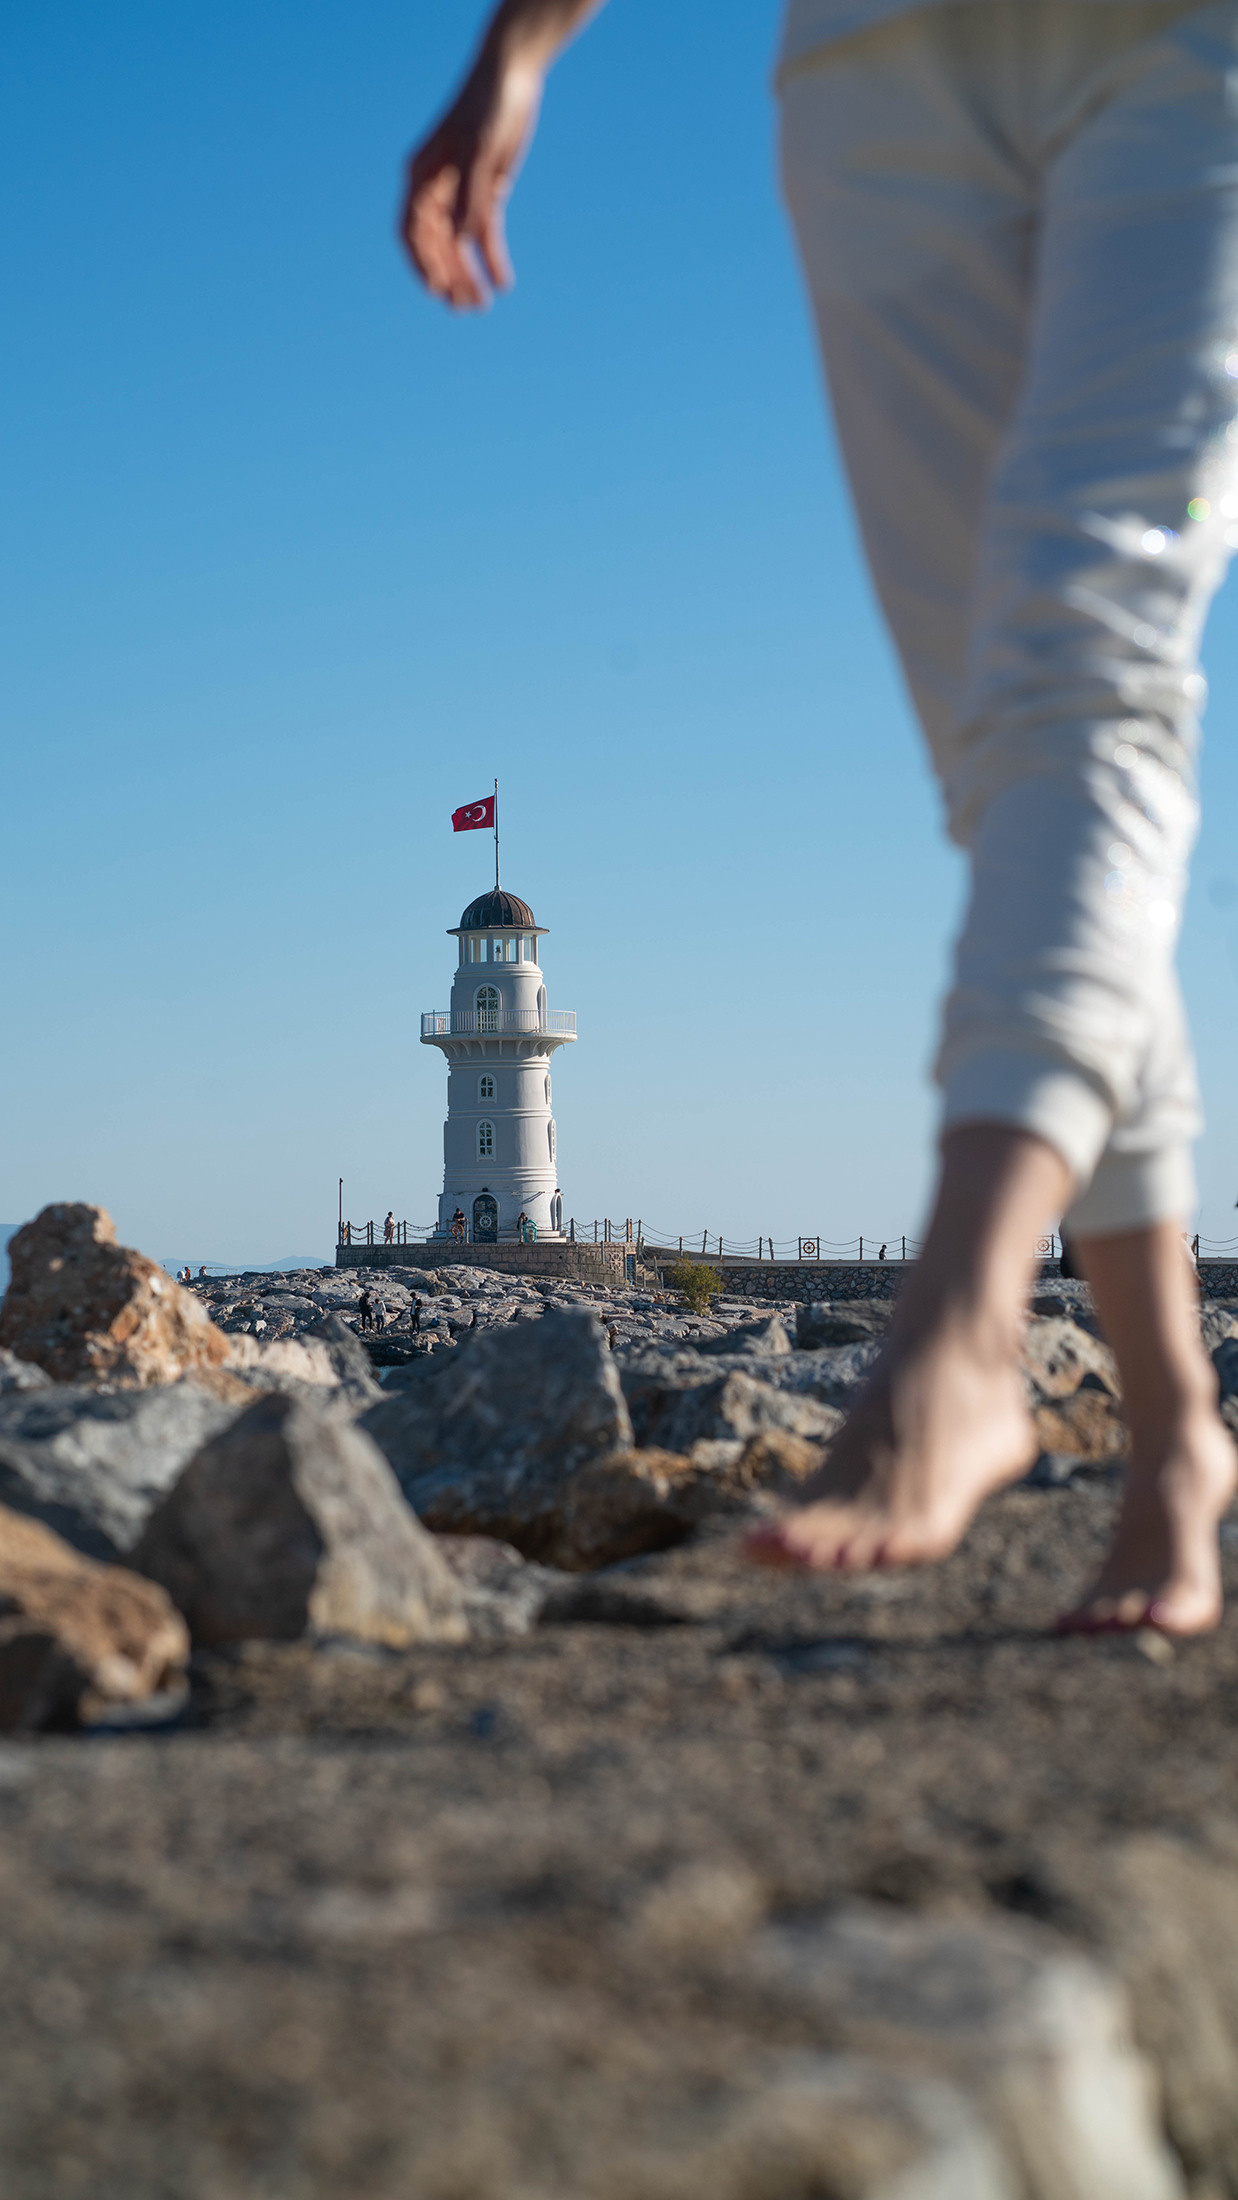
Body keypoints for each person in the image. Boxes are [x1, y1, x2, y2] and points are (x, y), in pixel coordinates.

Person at [403, 0, 1238, 1633]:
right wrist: (526, 41)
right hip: (877, 66)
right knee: (1017, 776)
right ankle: (1171, 1427)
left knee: (1083, 675)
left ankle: (960, 1320)